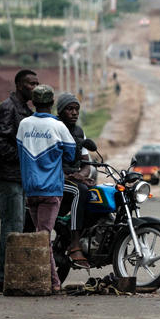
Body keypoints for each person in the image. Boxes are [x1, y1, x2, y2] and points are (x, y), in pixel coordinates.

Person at [16, 85, 76, 293]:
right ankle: (53, 282)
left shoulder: (24, 125)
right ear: (51, 104)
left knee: (39, 235)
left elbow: (20, 152)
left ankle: (44, 279)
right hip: (51, 189)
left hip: (31, 189)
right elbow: (70, 155)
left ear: (33, 102)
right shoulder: (58, 126)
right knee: (44, 237)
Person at [0, 68, 38, 293]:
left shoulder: (25, 110)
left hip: (20, 178)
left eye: (37, 84)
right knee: (12, 226)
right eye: (30, 84)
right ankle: (3, 278)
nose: (34, 88)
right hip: (9, 178)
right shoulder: (8, 108)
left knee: (20, 227)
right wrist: (22, 158)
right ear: (19, 85)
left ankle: (10, 276)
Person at [56, 93, 93, 270]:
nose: (74, 113)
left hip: (74, 178)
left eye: (76, 109)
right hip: (56, 178)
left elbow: (87, 162)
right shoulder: (54, 128)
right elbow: (49, 160)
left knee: (96, 193)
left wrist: (83, 175)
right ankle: (75, 243)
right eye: (69, 109)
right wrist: (70, 176)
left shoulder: (79, 131)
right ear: (60, 111)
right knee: (81, 191)